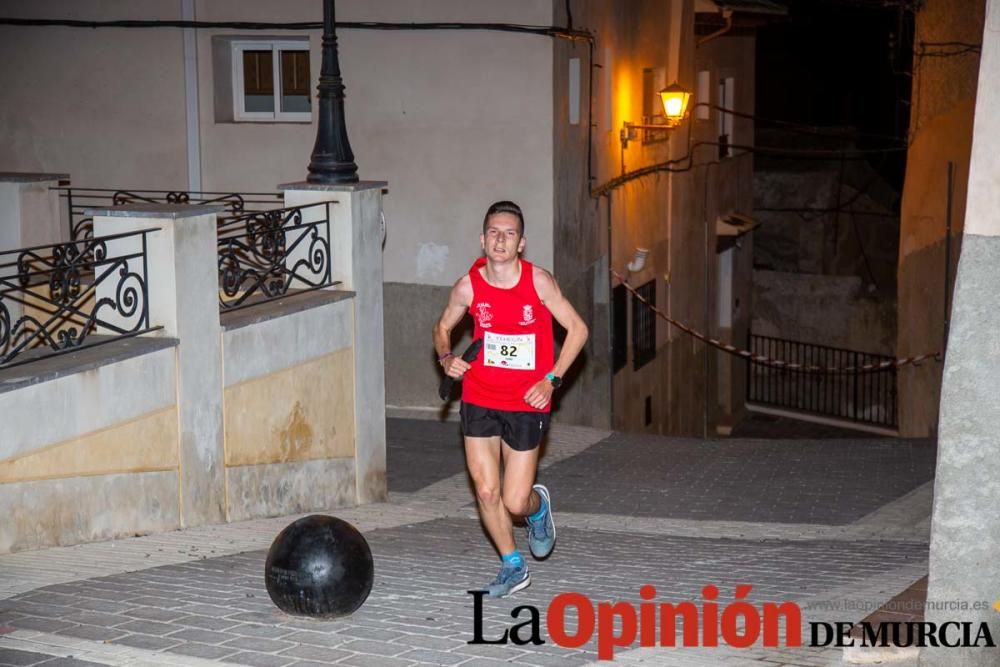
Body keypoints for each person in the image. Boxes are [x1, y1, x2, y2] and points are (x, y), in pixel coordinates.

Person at [432, 200, 589, 598]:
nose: (501, 240)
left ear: (522, 243)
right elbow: (443, 325)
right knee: (486, 490)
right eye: (495, 233)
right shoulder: (469, 285)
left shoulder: (539, 282)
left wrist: (552, 379)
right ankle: (512, 565)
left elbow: (578, 330)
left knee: (515, 500)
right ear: (482, 239)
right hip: (479, 395)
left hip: (525, 401)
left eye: (510, 234)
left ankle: (538, 510)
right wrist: (446, 356)